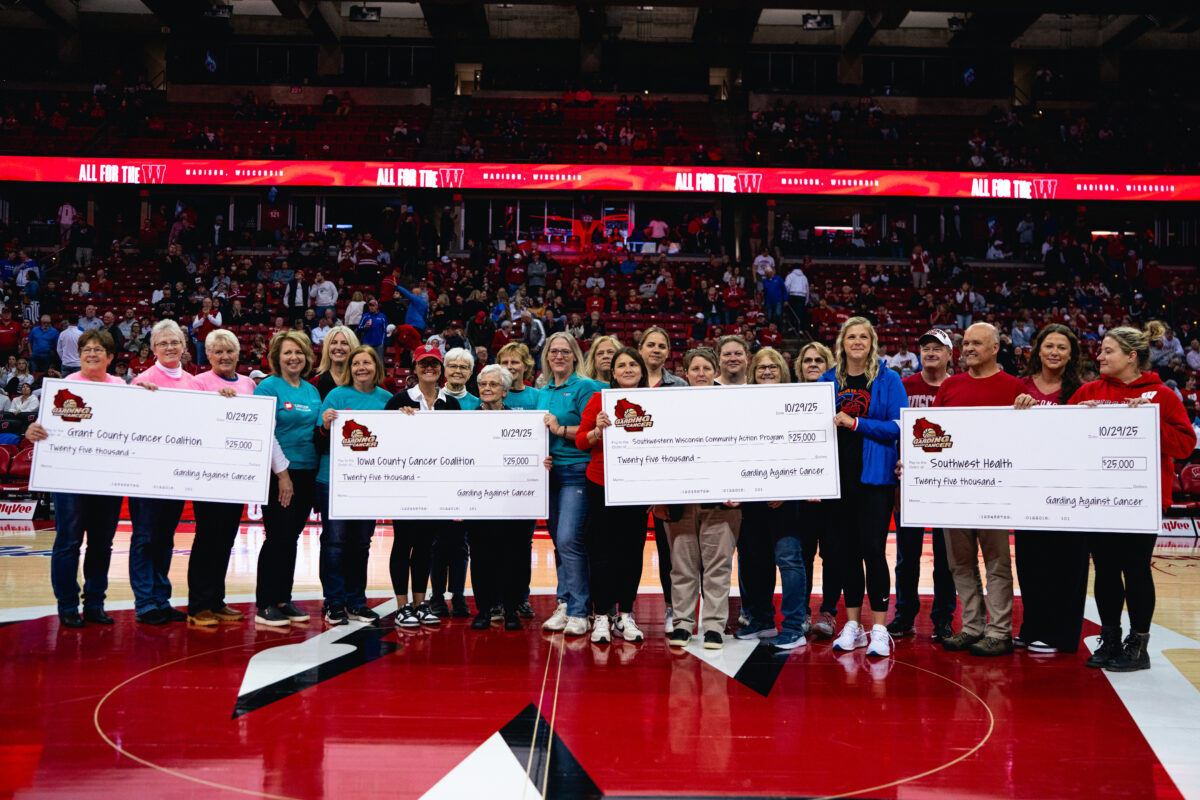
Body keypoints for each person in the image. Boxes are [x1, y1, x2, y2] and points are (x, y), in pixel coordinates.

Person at [1070, 321, 1195, 671]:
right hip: (1098, 497)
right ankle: (1110, 640)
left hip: (1141, 500)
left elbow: (1185, 445)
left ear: (1132, 356)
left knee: (1136, 568)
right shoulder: (1088, 391)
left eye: (1107, 351)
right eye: (1100, 350)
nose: (1099, 356)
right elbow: (1064, 440)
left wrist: (1148, 421)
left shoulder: (1164, 396)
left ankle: (1138, 646)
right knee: (1106, 570)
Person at [24, 330, 146, 628]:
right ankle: (67, 605)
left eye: (97, 349)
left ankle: (94, 603)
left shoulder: (122, 386)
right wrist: (32, 432)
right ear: (79, 356)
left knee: (102, 544)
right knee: (69, 541)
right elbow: (43, 427)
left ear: (110, 356)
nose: (91, 354)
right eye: (86, 350)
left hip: (108, 478)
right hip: (70, 479)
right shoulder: (64, 386)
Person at [933, 323, 1026, 656]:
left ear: (995, 347)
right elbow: (931, 439)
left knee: (997, 562)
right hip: (955, 491)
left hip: (995, 492)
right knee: (960, 563)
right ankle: (972, 627)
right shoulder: (950, 386)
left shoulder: (1017, 388)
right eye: (966, 343)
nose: (968, 348)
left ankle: (999, 631)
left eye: (976, 343)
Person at [821, 317, 907, 658]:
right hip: (836, 480)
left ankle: (881, 629)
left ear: (872, 342)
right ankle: (854, 626)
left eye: (863, 337)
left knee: (873, 550)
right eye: (851, 336)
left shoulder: (888, 379)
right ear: (842, 343)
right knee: (845, 554)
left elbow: (900, 425)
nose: (857, 341)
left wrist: (856, 423)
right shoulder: (828, 380)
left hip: (874, 478)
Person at [187, 330, 281, 626]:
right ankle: (198, 605)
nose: (224, 356)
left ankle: (216, 600)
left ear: (238, 354)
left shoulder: (248, 383)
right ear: (209, 355)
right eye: (218, 351)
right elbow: (190, 420)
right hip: (209, 473)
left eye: (230, 351)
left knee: (225, 539)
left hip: (238, 475)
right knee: (206, 538)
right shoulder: (199, 382)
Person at [1010, 323, 1087, 655]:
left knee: (1067, 563)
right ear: (1037, 350)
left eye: (1062, 347)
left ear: (1072, 355)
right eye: (1049, 346)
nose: (1054, 352)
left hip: (1069, 489)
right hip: (1029, 488)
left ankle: (1061, 634)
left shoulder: (1083, 391)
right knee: (1030, 561)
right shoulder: (1019, 387)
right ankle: (1033, 626)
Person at [124, 320, 202, 624]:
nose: (170, 348)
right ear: (153, 348)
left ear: (184, 346)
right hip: (147, 475)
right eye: (163, 343)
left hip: (176, 475)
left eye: (175, 342)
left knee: (165, 538)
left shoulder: (194, 383)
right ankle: (145, 603)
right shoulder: (141, 381)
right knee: (144, 537)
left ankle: (161, 597)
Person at [663, 347, 740, 650]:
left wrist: (740, 488)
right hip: (681, 501)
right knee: (682, 565)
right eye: (695, 369)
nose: (701, 374)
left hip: (724, 502)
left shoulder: (735, 405)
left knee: (718, 566)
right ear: (686, 373)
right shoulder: (670, 406)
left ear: (715, 371)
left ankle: (713, 627)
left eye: (707, 368)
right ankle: (682, 624)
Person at [576, 347, 650, 644]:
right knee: (602, 551)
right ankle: (603, 616)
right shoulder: (599, 400)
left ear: (642, 370)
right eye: (622, 365)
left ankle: (627, 615)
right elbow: (581, 440)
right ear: (613, 372)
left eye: (634, 364)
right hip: (602, 483)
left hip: (639, 486)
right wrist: (597, 430)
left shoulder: (656, 401)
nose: (628, 369)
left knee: (631, 551)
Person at [468, 364, 550, 631]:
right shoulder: (465, 420)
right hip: (479, 500)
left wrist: (543, 461)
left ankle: (512, 608)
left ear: (505, 391)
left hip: (516, 501)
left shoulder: (522, 420)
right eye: (483, 385)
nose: (487, 389)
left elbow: (534, 454)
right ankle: (484, 609)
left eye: (493, 385)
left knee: (513, 555)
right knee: (481, 555)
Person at [888, 329, 958, 642]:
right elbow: (894, 432)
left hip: (947, 484)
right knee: (906, 556)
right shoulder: (905, 386)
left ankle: (943, 618)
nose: (930, 353)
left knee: (946, 558)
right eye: (926, 348)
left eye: (937, 348)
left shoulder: (958, 387)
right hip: (910, 482)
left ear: (949, 355)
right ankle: (904, 615)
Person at [737, 347, 809, 649]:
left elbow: (805, 447)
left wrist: (787, 487)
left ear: (783, 371)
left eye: (773, 368)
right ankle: (762, 620)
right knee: (753, 560)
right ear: (753, 374)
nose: (767, 372)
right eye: (762, 368)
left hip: (786, 500)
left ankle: (794, 625)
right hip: (751, 499)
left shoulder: (796, 402)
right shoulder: (742, 404)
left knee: (789, 559)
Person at [315, 345, 391, 626]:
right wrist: (324, 425)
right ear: (350, 367)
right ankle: (334, 603)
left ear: (376, 367)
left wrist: (405, 414)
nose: (361, 367)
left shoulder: (387, 399)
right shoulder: (336, 395)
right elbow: (319, 439)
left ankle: (356, 602)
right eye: (356, 363)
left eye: (367, 363)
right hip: (333, 480)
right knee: (334, 543)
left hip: (369, 484)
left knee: (361, 544)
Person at [384, 344, 459, 627]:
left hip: (436, 486)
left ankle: (419, 602)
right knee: (403, 542)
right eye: (423, 363)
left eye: (434, 364)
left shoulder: (451, 403)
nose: (429, 368)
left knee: (426, 544)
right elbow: (386, 442)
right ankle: (402, 605)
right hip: (404, 484)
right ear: (414, 368)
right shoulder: (399, 400)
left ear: (441, 369)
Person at [253, 331, 322, 626]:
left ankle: (283, 598)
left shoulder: (311, 390)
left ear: (307, 357)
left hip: (308, 472)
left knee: (291, 537)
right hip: (279, 474)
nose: (293, 357)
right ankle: (266, 602)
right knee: (277, 536)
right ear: (276, 358)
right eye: (287, 353)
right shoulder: (268, 387)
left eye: (299, 352)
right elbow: (264, 434)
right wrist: (282, 474)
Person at [537, 332, 600, 636]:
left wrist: (560, 429)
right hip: (549, 473)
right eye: (553, 351)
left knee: (568, 540)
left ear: (575, 355)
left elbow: (593, 431)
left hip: (576, 469)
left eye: (565, 351)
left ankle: (579, 610)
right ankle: (565, 602)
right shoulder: (542, 389)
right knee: (560, 545)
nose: (559, 356)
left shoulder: (584, 386)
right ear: (547, 355)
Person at [636, 326, 686, 628]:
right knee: (627, 547)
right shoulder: (625, 380)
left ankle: (672, 608)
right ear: (640, 347)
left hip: (668, 477)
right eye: (650, 344)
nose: (656, 350)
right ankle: (620, 609)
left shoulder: (679, 385)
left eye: (661, 346)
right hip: (631, 476)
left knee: (671, 551)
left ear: (668, 352)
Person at [793, 342, 841, 637]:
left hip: (834, 490)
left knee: (833, 553)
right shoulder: (788, 397)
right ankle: (801, 612)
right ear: (800, 366)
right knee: (803, 555)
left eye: (819, 360)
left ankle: (829, 611)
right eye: (807, 360)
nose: (813, 364)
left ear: (829, 366)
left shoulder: (841, 396)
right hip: (800, 490)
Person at [495, 342, 540, 618]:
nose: (511, 367)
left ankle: (521, 597)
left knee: (523, 544)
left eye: (516, 362)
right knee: (497, 543)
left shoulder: (536, 397)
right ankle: (498, 598)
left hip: (527, 482)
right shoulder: (488, 394)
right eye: (506, 362)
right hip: (496, 482)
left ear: (526, 365)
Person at [313, 326, 360, 400]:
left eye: (344, 343)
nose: (338, 347)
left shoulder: (364, 381)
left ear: (352, 348)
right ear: (327, 348)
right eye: (333, 343)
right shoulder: (314, 383)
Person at [356, 298, 388, 363]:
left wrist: (382, 341)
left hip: (378, 344)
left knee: (379, 362)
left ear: (377, 306)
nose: (371, 307)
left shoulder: (382, 317)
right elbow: (359, 327)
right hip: (366, 344)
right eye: (370, 305)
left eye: (373, 305)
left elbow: (385, 330)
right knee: (365, 361)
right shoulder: (365, 316)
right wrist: (364, 327)